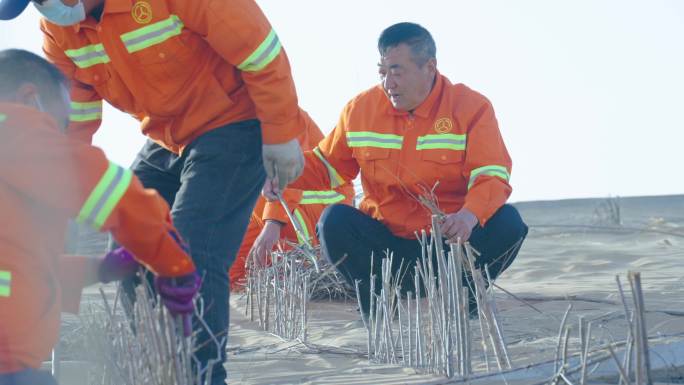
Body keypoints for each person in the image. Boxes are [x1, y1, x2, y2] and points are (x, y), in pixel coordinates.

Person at [0, 0, 307, 382]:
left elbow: (259, 49)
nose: (46, 7)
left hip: (234, 121)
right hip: (166, 138)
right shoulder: (57, 30)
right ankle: (157, 370)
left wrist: (280, 133)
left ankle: (200, 376)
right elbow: (66, 127)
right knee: (128, 254)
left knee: (190, 247)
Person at [265, 22, 528, 316]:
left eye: (397, 71)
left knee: (509, 223)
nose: (388, 82)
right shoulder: (360, 109)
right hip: (386, 248)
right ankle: (379, 307)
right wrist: (282, 173)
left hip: (449, 246)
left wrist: (468, 217)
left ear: (430, 67)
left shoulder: (471, 108)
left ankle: (463, 297)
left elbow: (491, 175)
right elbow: (328, 168)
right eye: (382, 72)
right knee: (333, 221)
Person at [0, 49, 198, 385]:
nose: (61, 137)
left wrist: (102, 268)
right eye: (60, 124)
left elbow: (20, 268)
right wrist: (173, 264)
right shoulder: (12, 129)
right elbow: (116, 195)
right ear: (30, 100)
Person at [229, 111, 355, 290]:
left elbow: (291, 173)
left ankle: (306, 271)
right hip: (260, 204)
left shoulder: (281, 113)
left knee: (286, 274)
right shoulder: (221, 118)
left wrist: (273, 222)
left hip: (320, 197)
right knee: (234, 279)